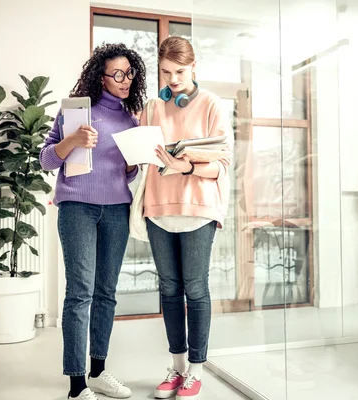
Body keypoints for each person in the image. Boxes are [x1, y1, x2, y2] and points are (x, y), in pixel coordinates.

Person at [40, 43, 147, 400]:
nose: (125, 80)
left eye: (130, 73)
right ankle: (76, 384)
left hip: (117, 209)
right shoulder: (75, 112)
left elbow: (125, 175)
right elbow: (46, 160)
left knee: (106, 293)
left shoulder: (132, 119)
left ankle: (99, 372)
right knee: (80, 293)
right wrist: (71, 140)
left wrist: (132, 167)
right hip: (77, 209)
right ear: (99, 77)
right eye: (117, 74)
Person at [139, 36, 232, 399]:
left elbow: (221, 164)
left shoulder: (211, 104)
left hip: (198, 210)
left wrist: (187, 164)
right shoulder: (151, 107)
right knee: (169, 291)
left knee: (195, 289)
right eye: (165, 72)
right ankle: (176, 369)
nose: (172, 79)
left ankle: (195, 370)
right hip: (159, 210)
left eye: (180, 71)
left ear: (194, 68)